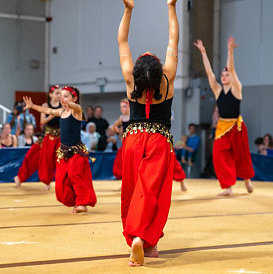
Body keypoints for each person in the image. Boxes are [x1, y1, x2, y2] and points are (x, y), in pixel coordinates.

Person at [118, 0, 178, 266]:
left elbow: (122, 42)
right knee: (153, 191)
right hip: (158, 141)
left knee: (133, 190)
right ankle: (144, 239)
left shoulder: (130, 80)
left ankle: (142, 240)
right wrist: (171, 7)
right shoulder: (168, 79)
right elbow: (174, 39)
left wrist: (128, 10)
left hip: (132, 139)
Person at [194, 36, 254, 196]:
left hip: (237, 127)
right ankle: (228, 186)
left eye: (226, 75)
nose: (224, 77)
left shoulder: (237, 89)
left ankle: (247, 178)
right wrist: (203, 52)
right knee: (218, 155)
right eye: (222, 75)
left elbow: (232, 69)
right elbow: (209, 73)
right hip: (222, 127)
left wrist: (230, 51)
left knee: (241, 156)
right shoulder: (218, 90)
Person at [23, 86, 96, 213]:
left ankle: (82, 204)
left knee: (76, 176)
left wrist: (70, 103)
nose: (62, 99)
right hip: (63, 152)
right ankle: (75, 202)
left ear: (75, 98)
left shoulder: (76, 112)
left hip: (76, 152)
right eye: (61, 96)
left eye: (66, 96)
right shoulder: (61, 112)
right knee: (62, 180)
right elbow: (47, 110)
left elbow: (77, 107)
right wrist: (33, 106)